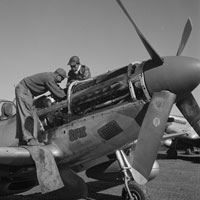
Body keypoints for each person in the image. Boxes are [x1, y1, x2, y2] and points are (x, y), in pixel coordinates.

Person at [15, 68, 67, 146]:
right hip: (24, 91)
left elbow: (56, 88)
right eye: (62, 78)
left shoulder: (49, 77)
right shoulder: (49, 78)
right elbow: (59, 93)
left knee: (29, 115)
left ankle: (22, 140)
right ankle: (30, 140)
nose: (61, 81)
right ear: (57, 75)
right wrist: (67, 97)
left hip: (26, 91)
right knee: (27, 115)